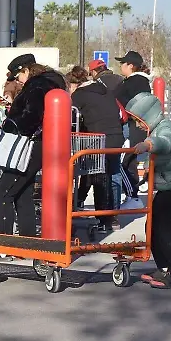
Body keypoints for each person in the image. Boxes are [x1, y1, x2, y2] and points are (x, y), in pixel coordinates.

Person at [0, 54, 66, 236]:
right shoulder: (52, 82)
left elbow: (31, 115)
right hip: (42, 145)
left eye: (19, 77)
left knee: (3, 193)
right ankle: (27, 237)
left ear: (26, 70)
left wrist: (12, 124)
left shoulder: (37, 86)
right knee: (23, 193)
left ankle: (3, 240)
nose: (18, 81)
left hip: (30, 146)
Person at [127, 92, 171, 289]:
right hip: (166, 186)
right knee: (152, 225)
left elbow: (166, 142)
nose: (137, 125)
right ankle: (162, 268)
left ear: (149, 115)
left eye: (139, 120)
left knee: (166, 228)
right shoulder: (154, 130)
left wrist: (147, 145)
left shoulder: (165, 127)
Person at [67, 66, 125, 233]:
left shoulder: (78, 95)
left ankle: (103, 218)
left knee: (99, 177)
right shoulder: (104, 90)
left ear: (73, 84)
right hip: (116, 135)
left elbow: (71, 116)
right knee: (110, 175)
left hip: (98, 138)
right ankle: (112, 217)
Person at [89, 58, 127, 210]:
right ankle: (115, 210)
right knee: (115, 170)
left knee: (101, 173)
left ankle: (104, 209)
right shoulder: (120, 79)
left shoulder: (97, 85)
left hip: (102, 130)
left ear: (93, 71)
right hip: (119, 128)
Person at [115, 51, 152, 199]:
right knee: (128, 162)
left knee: (120, 163)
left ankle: (132, 195)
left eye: (122, 63)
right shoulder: (137, 82)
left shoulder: (135, 82)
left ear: (130, 65)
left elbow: (135, 106)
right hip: (132, 128)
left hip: (131, 128)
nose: (120, 66)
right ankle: (132, 196)